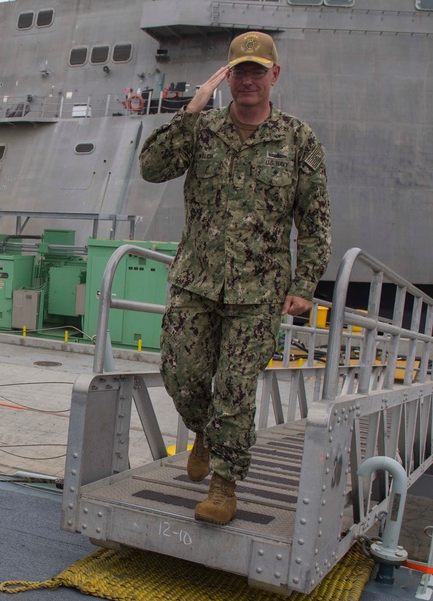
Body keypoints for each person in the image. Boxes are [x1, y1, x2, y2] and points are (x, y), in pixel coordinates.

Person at [139, 32, 331, 525]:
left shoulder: (298, 138)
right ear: (227, 77)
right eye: (239, 72)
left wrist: (304, 284)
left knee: (235, 388)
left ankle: (224, 485)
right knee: (180, 374)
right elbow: (152, 167)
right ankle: (204, 432)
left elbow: (314, 220)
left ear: (274, 75)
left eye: (257, 71)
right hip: (195, 280)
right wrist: (191, 109)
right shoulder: (203, 130)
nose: (248, 80)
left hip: (260, 288)